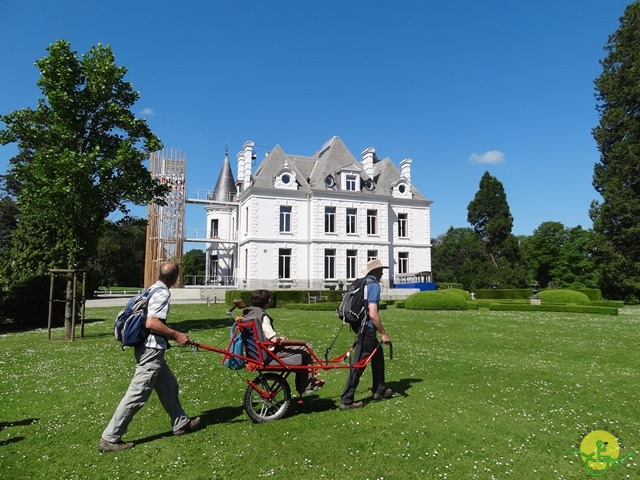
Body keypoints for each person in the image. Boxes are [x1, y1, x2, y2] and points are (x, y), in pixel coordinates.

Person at [98, 262, 201, 453]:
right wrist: (177, 335)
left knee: (169, 385)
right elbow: (152, 322)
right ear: (176, 277)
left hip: (147, 347)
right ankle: (110, 438)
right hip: (150, 350)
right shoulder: (162, 293)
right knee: (138, 393)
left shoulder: (150, 290)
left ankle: (180, 423)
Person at [242, 289, 324, 395]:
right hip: (269, 353)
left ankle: (304, 385)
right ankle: (306, 385)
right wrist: (281, 339)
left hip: (256, 353)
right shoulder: (262, 316)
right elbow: (273, 339)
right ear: (266, 302)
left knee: (302, 349)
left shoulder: (249, 314)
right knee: (306, 347)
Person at [339, 259, 393, 410]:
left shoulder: (362, 283)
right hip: (367, 328)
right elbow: (373, 314)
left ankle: (379, 389)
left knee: (378, 354)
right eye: (380, 270)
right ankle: (346, 400)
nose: (382, 272)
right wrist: (384, 333)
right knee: (359, 364)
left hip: (359, 326)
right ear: (374, 272)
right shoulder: (373, 285)